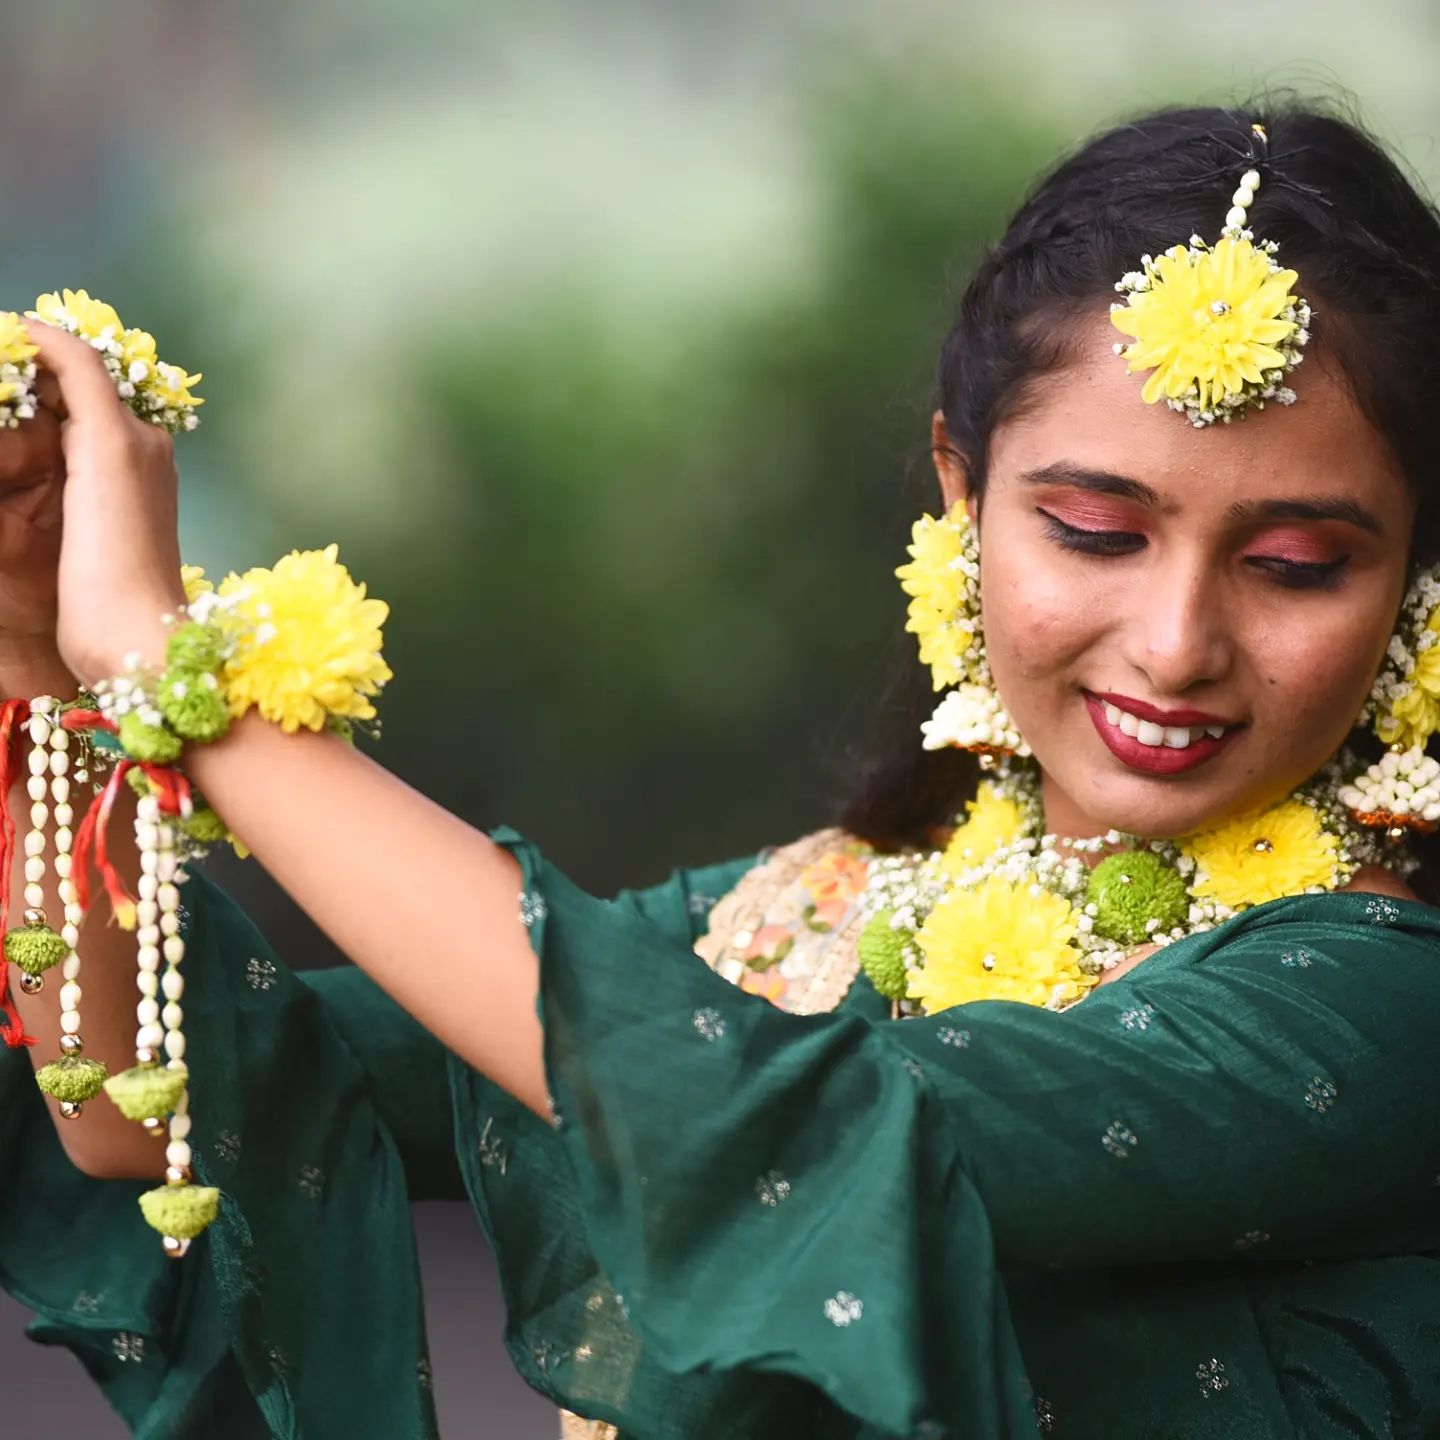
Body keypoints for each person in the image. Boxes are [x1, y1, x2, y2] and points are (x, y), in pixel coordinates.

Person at [3, 97, 1440, 1440]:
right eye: (1096, 533)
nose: (1178, 642)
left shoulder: (1384, 1008)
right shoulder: (812, 913)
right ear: (963, 491)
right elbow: (154, 1090)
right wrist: (36, 641)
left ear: (1413, 581)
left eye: (1295, 564)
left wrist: (180, 679)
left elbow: (785, 1119)